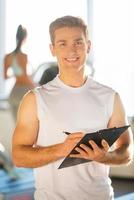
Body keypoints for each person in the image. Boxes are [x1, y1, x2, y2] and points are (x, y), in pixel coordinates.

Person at [12, 16, 133, 200]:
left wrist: (104, 157)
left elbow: (126, 152)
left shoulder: (110, 97)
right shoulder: (35, 99)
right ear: (52, 49)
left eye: (78, 42)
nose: (72, 50)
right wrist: (61, 149)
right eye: (62, 43)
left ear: (88, 46)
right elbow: (19, 156)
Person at [4, 25, 36, 121]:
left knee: (17, 126)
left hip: (13, 94)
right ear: (25, 38)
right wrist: (37, 86)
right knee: (28, 125)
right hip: (24, 92)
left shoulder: (7, 57)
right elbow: (25, 76)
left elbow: (5, 76)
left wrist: (15, 73)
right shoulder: (24, 56)